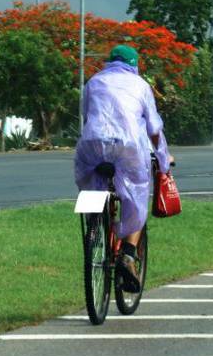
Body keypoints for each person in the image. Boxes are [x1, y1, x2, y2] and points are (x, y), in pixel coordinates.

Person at [74, 44, 173, 293]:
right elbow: (153, 130)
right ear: (134, 65)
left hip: (91, 147)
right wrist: (163, 159)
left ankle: (95, 225)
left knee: (93, 186)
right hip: (128, 149)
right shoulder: (140, 86)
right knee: (137, 196)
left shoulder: (93, 82)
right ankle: (127, 255)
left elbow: (88, 118)